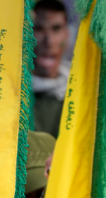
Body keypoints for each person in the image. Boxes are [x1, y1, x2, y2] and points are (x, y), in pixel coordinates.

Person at [31, 0, 70, 137]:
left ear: (67, 35)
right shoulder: (3, 93)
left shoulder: (84, 92)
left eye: (56, 28)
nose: (49, 41)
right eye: (39, 29)